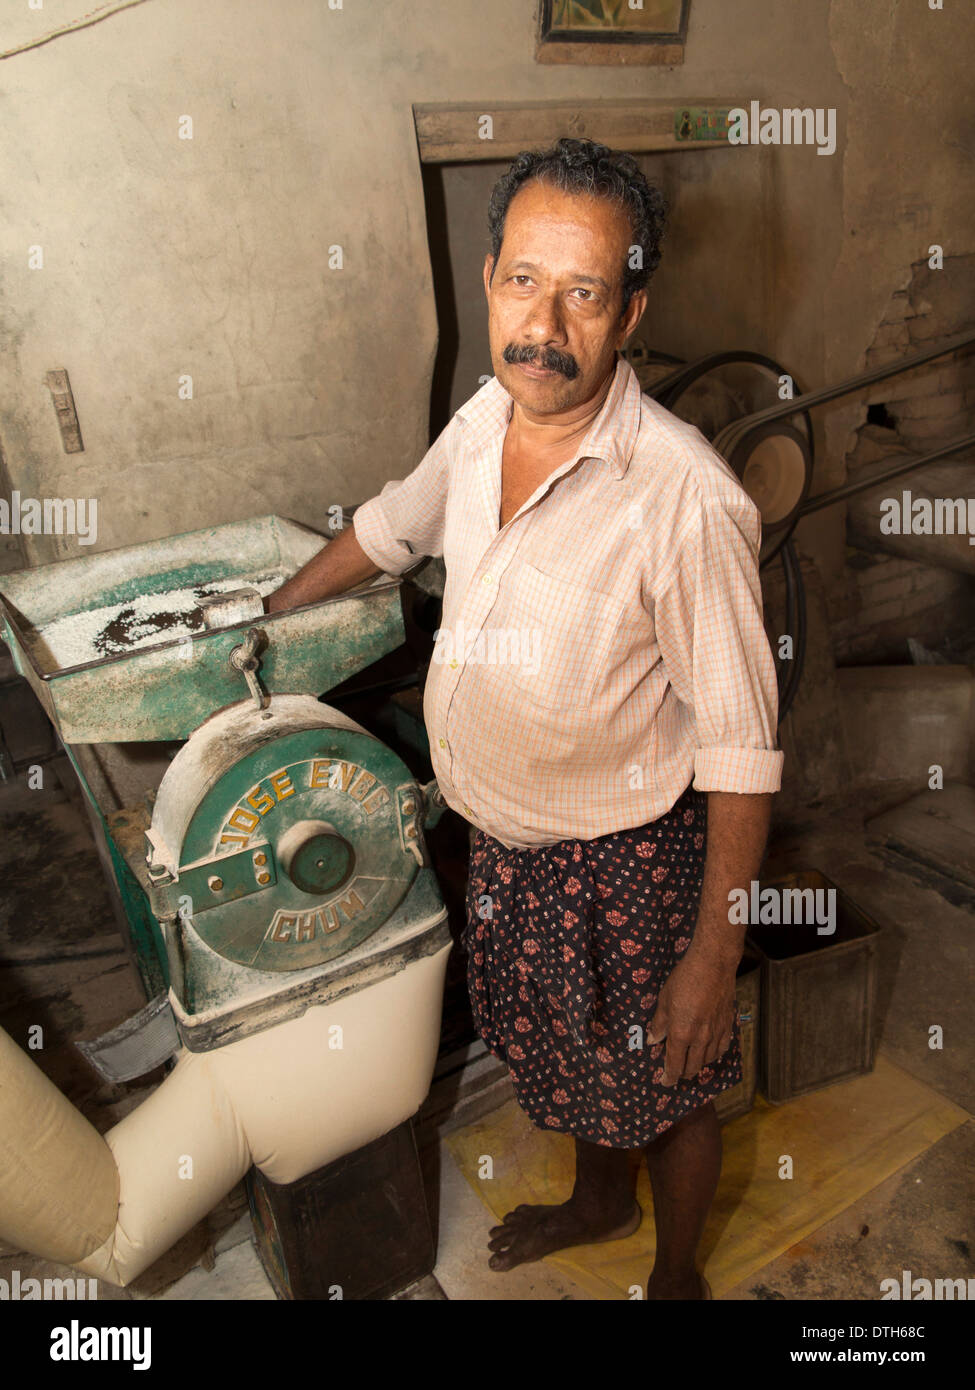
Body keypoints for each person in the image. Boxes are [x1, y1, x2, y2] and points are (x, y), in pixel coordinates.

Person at [268, 137, 784, 1300]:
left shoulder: (685, 500)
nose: (545, 324)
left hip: (631, 870)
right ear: (490, 272)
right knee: (568, 1068)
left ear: (632, 310)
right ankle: (598, 1202)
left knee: (672, 1083)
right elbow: (392, 526)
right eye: (522, 282)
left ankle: (677, 1276)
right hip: (508, 856)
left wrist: (715, 952)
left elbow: (745, 748)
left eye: (586, 292)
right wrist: (269, 615)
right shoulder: (482, 418)